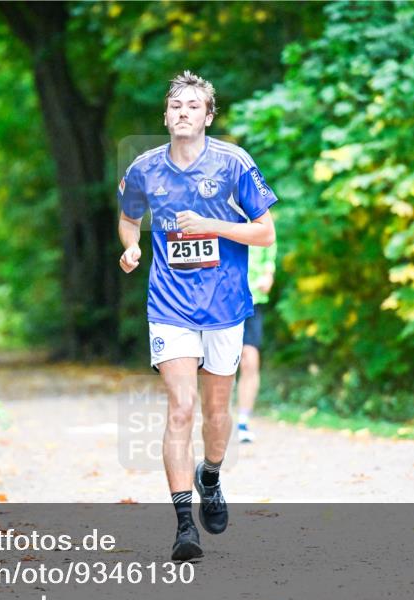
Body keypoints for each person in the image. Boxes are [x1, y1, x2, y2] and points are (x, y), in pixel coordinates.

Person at [117, 71, 278, 561]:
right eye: (176, 105)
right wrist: (132, 247)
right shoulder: (144, 169)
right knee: (181, 407)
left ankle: (211, 474)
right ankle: (184, 524)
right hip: (169, 305)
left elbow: (265, 232)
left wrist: (211, 224)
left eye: (193, 106)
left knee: (215, 414)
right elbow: (129, 216)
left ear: (208, 117)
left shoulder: (234, 164)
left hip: (226, 306)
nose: (183, 112)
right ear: (165, 116)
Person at [236, 243, 276, 443]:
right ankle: (215, 420)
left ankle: (242, 421)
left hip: (253, 300)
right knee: (216, 364)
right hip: (223, 299)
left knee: (249, 360)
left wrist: (268, 274)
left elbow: (270, 248)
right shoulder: (220, 213)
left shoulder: (259, 215)